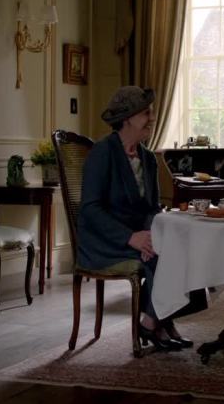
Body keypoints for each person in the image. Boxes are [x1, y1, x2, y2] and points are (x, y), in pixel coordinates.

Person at [77, 86, 205, 352]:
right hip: (105, 242)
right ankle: (152, 322)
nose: (152, 118)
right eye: (146, 113)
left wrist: (150, 235)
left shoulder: (148, 158)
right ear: (127, 118)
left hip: (141, 237)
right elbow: (90, 210)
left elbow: (153, 208)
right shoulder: (102, 153)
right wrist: (131, 238)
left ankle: (157, 320)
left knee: (185, 250)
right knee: (168, 256)